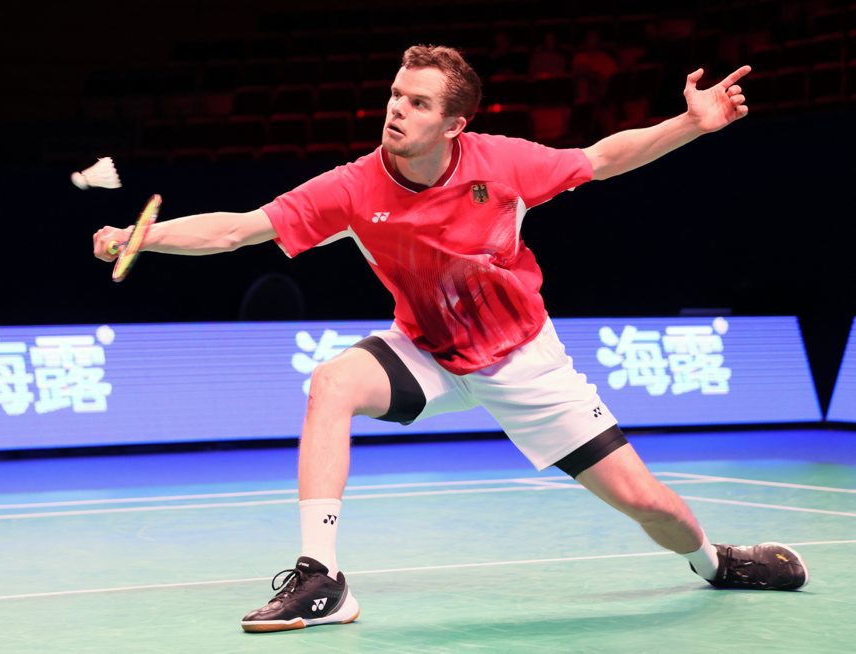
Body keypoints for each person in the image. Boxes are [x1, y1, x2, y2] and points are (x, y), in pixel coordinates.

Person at [93, 45, 808, 634]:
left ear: (455, 123)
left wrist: (689, 124)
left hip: (525, 362)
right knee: (332, 382)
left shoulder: (502, 166)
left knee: (646, 502)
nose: (396, 110)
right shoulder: (351, 187)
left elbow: (603, 157)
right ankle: (321, 577)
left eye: (417, 102)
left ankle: (716, 562)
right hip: (426, 351)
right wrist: (142, 237)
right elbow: (236, 227)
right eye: (396, 95)